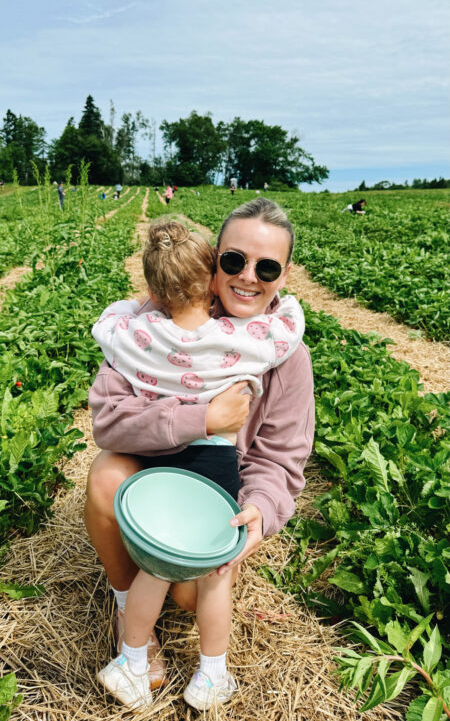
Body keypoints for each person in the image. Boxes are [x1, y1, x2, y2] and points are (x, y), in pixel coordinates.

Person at [85, 197, 315, 708]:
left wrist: (261, 509)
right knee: (106, 476)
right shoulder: (152, 327)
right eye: (233, 261)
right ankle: (128, 613)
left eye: (267, 267)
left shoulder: (283, 353)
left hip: (214, 489)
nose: (248, 277)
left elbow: (281, 458)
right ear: (212, 261)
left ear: (284, 274)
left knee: (192, 586)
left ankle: (151, 652)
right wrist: (203, 419)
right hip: (154, 473)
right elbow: (107, 418)